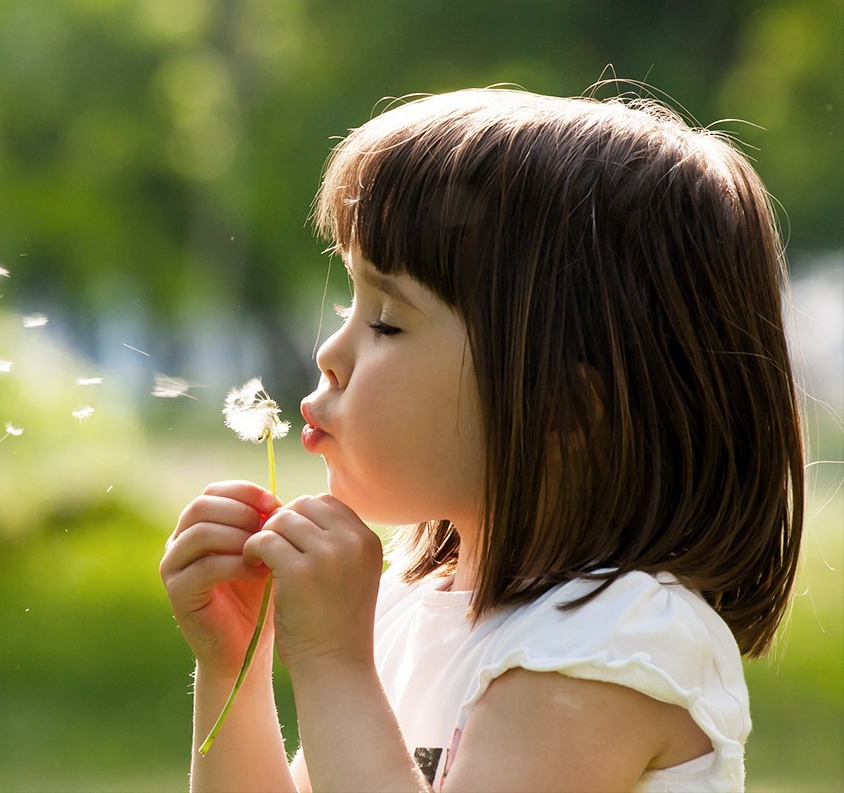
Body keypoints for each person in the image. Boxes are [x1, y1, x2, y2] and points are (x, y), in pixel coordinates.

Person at [161, 88, 804, 792]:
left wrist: (334, 666)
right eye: (351, 301)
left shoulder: (610, 644)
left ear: (559, 410)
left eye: (388, 322)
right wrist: (234, 669)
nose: (329, 353)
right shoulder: (411, 610)